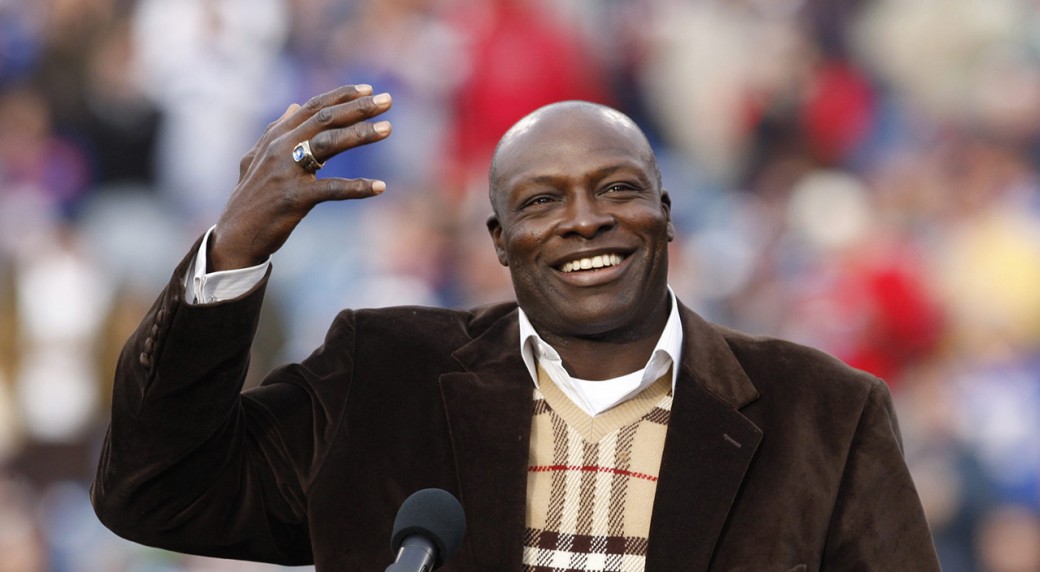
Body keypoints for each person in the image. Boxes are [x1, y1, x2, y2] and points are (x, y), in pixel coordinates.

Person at [91, 84, 941, 571]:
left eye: (617, 189)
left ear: (666, 213)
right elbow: (156, 489)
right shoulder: (382, 378)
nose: (585, 220)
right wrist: (232, 250)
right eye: (541, 201)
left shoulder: (824, 414)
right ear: (499, 241)